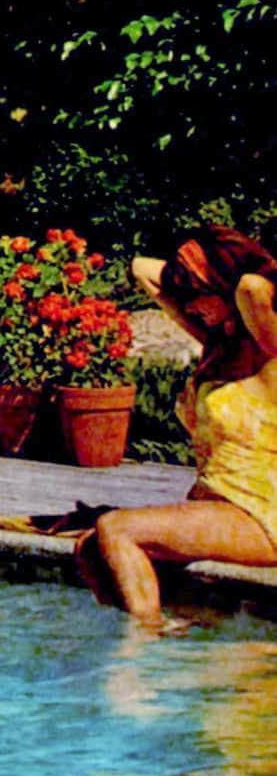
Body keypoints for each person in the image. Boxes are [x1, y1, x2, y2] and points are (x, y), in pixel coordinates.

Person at [76, 224, 277, 628]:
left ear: (224, 287)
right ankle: (170, 631)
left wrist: (229, 271)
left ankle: (141, 652)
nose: (187, 306)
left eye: (195, 294)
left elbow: (253, 287)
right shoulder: (218, 346)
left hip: (262, 512)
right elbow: (143, 269)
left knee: (117, 529)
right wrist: (197, 286)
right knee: (89, 548)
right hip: (219, 506)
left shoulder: (270, 351)